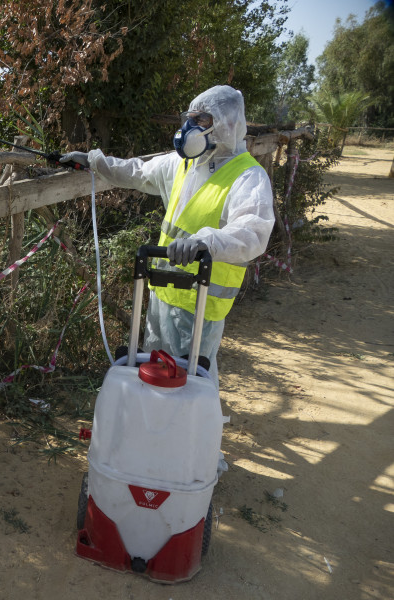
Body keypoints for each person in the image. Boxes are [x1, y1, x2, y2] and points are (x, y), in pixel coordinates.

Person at [60, 85, 274, 388]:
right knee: (153, 375)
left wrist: (206, 242)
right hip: (162, 295)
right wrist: (93, 161)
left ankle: (192, 434)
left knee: (190, 385)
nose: (190, 128)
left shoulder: (248, 176)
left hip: (200, 305)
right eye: (190, 118)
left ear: (226, 124)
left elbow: (253, 231)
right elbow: (137, 171)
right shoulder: (184, 165)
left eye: (201, 120)